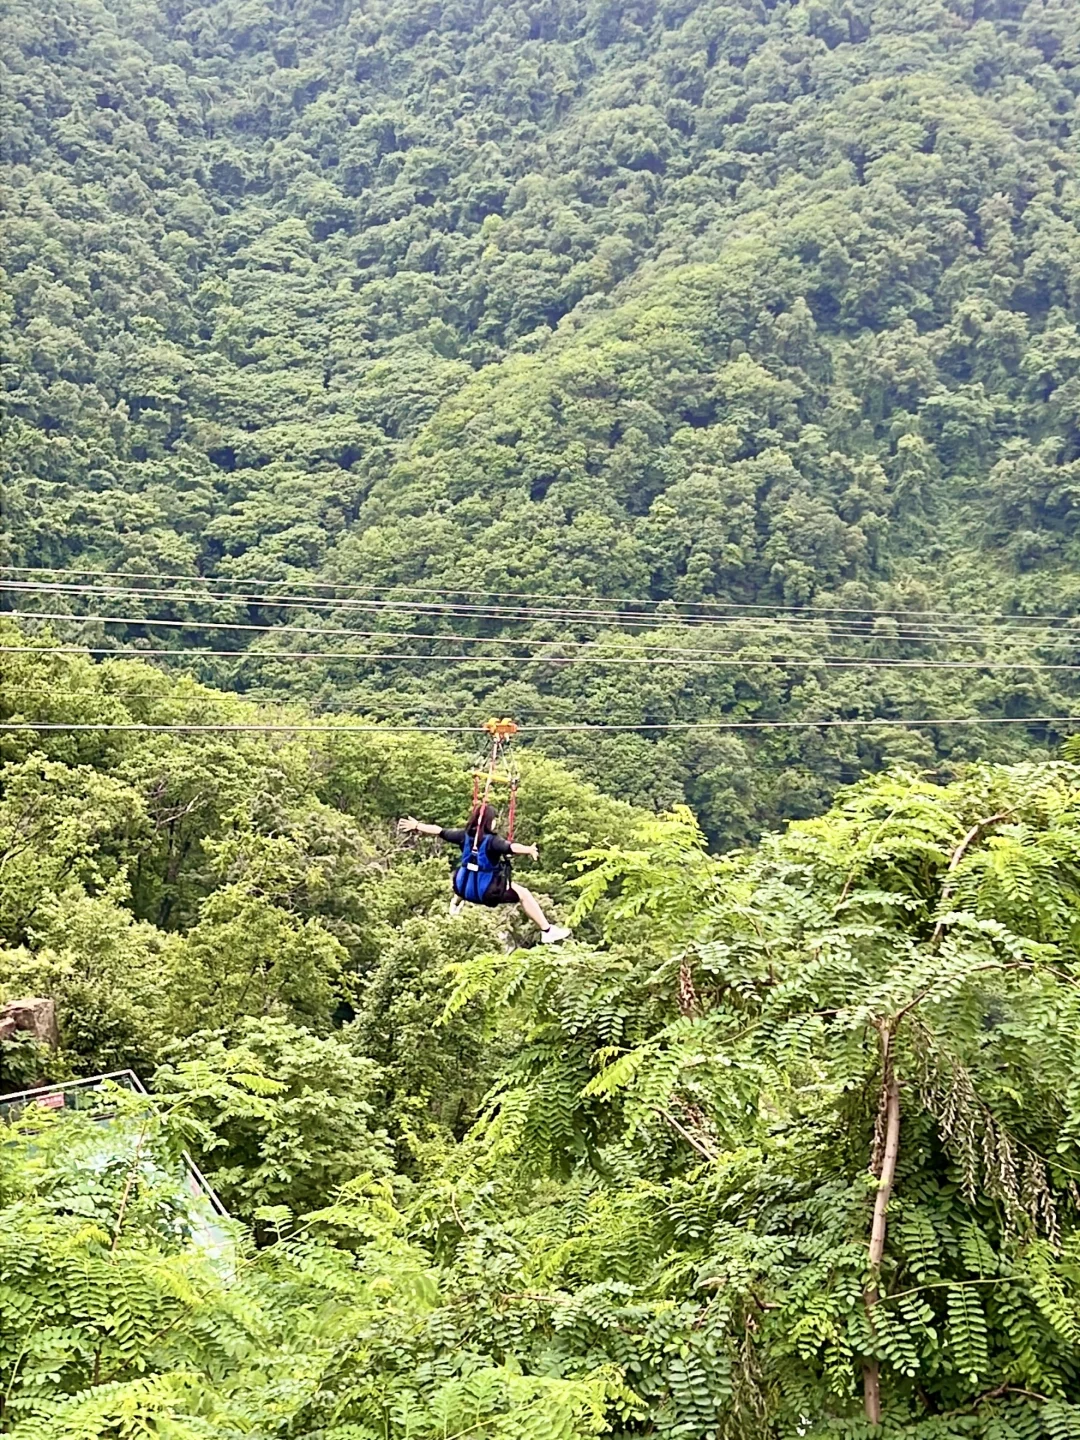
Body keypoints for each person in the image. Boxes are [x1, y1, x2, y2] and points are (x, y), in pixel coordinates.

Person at [397, 803, 571, 944]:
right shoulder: (492, 842)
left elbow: (439, 831)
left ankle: (456, 903)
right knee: (524, 894)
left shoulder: (463, 836)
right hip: (486, 893)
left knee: (468, 874)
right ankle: (547, 931)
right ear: (490, 822)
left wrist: (418, 825)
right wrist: (528, 849)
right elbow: (511, 847)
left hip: (461, 888)